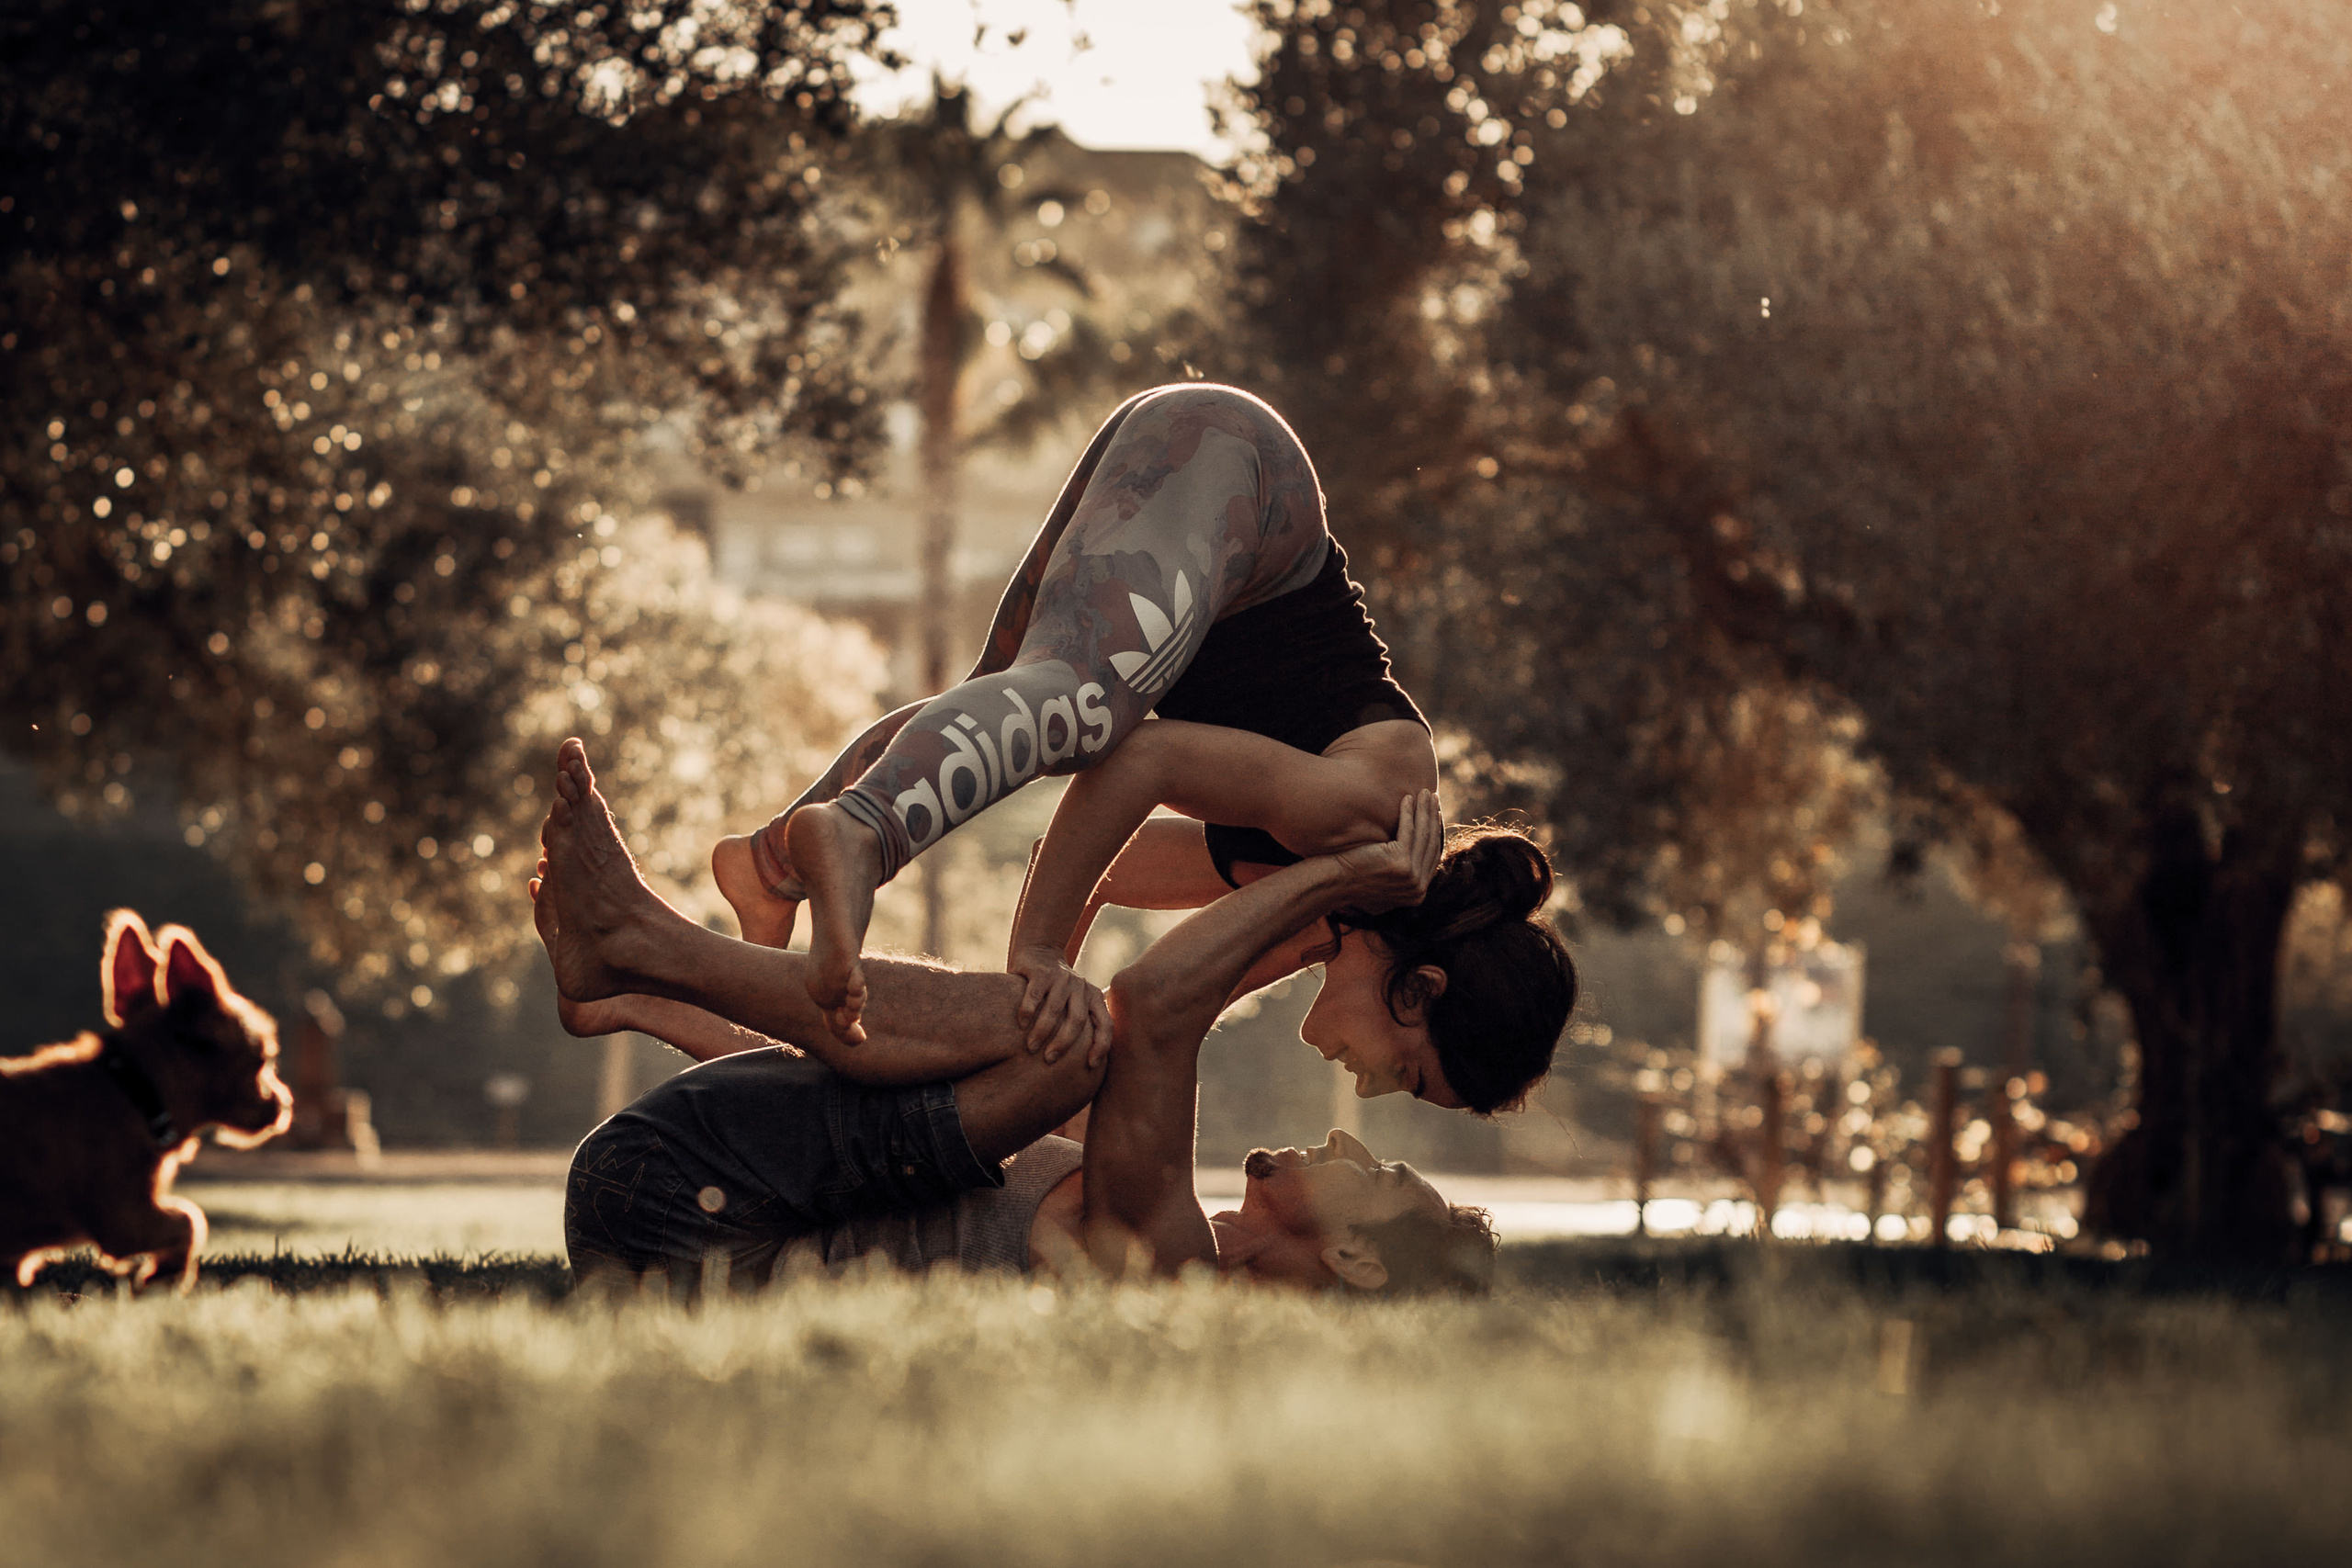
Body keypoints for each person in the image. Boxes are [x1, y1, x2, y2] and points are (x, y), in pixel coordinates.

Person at [708, 385, 1570, 1084]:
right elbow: (1146, 760)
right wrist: (1038, 953)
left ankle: (774, 863)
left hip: (1204, 469)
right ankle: (864, 834)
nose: (1372, 1087)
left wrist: (1046, 1013)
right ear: (1419, 991)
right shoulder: (1365, 815)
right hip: (1234, 469)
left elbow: (1105, 860)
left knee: (1003, 711)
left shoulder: (1331, 892)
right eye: (1409, 1076)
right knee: (1085, 712)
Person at [537, 739, 1493, 1292]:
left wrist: (1335, 882)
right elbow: (851, 1102)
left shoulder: (1167, 1264)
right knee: (1060, 1036)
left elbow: (1158, 1011)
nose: (1348, 1136)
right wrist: (640, 1014)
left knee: (1075, 1040)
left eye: (1379, 1173)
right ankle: (640, 966)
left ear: (1356, 1256)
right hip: (670, 1191)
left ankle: (641, 937)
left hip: (689, 1225)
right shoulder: (1133, 1201)